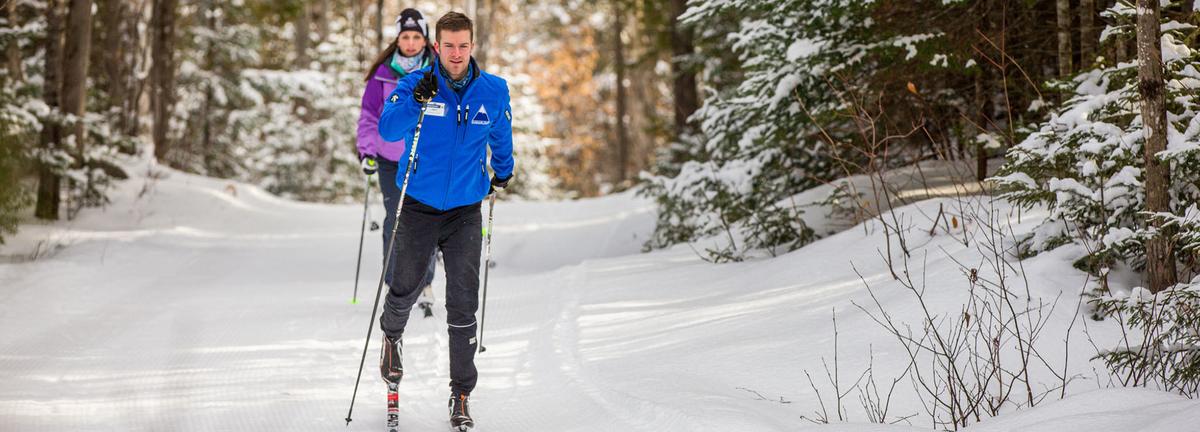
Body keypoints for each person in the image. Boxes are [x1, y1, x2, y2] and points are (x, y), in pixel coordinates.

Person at [377, 11, 514, 431]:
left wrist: (503, 169)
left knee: (463, 301)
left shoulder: (493, 90)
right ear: (437, 47)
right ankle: (392, 337)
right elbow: (387, 129)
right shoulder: (415, 84)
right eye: (449, 45)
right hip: (418, 204)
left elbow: (501, 135)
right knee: (405, 286)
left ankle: (461, 392)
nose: (456, 54)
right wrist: (417, 98)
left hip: (464, 211)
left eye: (463, 45)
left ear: (472, 46)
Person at [356, 8, 438, 319]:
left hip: (427, 157)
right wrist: (366, 151)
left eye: (417, 36)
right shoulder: (382, 74)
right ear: (398, 38)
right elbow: (368, 116)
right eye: (406, 36)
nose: (412, 42)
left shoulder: (438, 69)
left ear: (425, 38)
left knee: (426, 220)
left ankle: (425, 282)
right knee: (395, 219)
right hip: (390, 158)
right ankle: (393, 283)